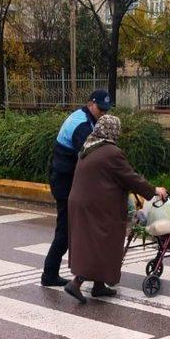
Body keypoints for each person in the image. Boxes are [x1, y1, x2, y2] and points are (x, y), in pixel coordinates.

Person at [64, 114, 167, 303]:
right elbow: (130, 177)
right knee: (100, 243)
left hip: (82, 203)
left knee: (92, 242)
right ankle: (76, 283)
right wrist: (154, 191)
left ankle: (99, 285)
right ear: (113, 130)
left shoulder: (89, 146)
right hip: (98, 206)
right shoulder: (110, 151)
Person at [41, 89, 112, 287]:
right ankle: (49, 274)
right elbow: (89, 156)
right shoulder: (81, 124)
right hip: (65, 183)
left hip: (66, 179)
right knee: (65, 230)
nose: (103, 113)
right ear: (91, 104)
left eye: (106, 110)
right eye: (100, 109)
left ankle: (85, 276)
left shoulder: (85, 117)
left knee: (71, 230)